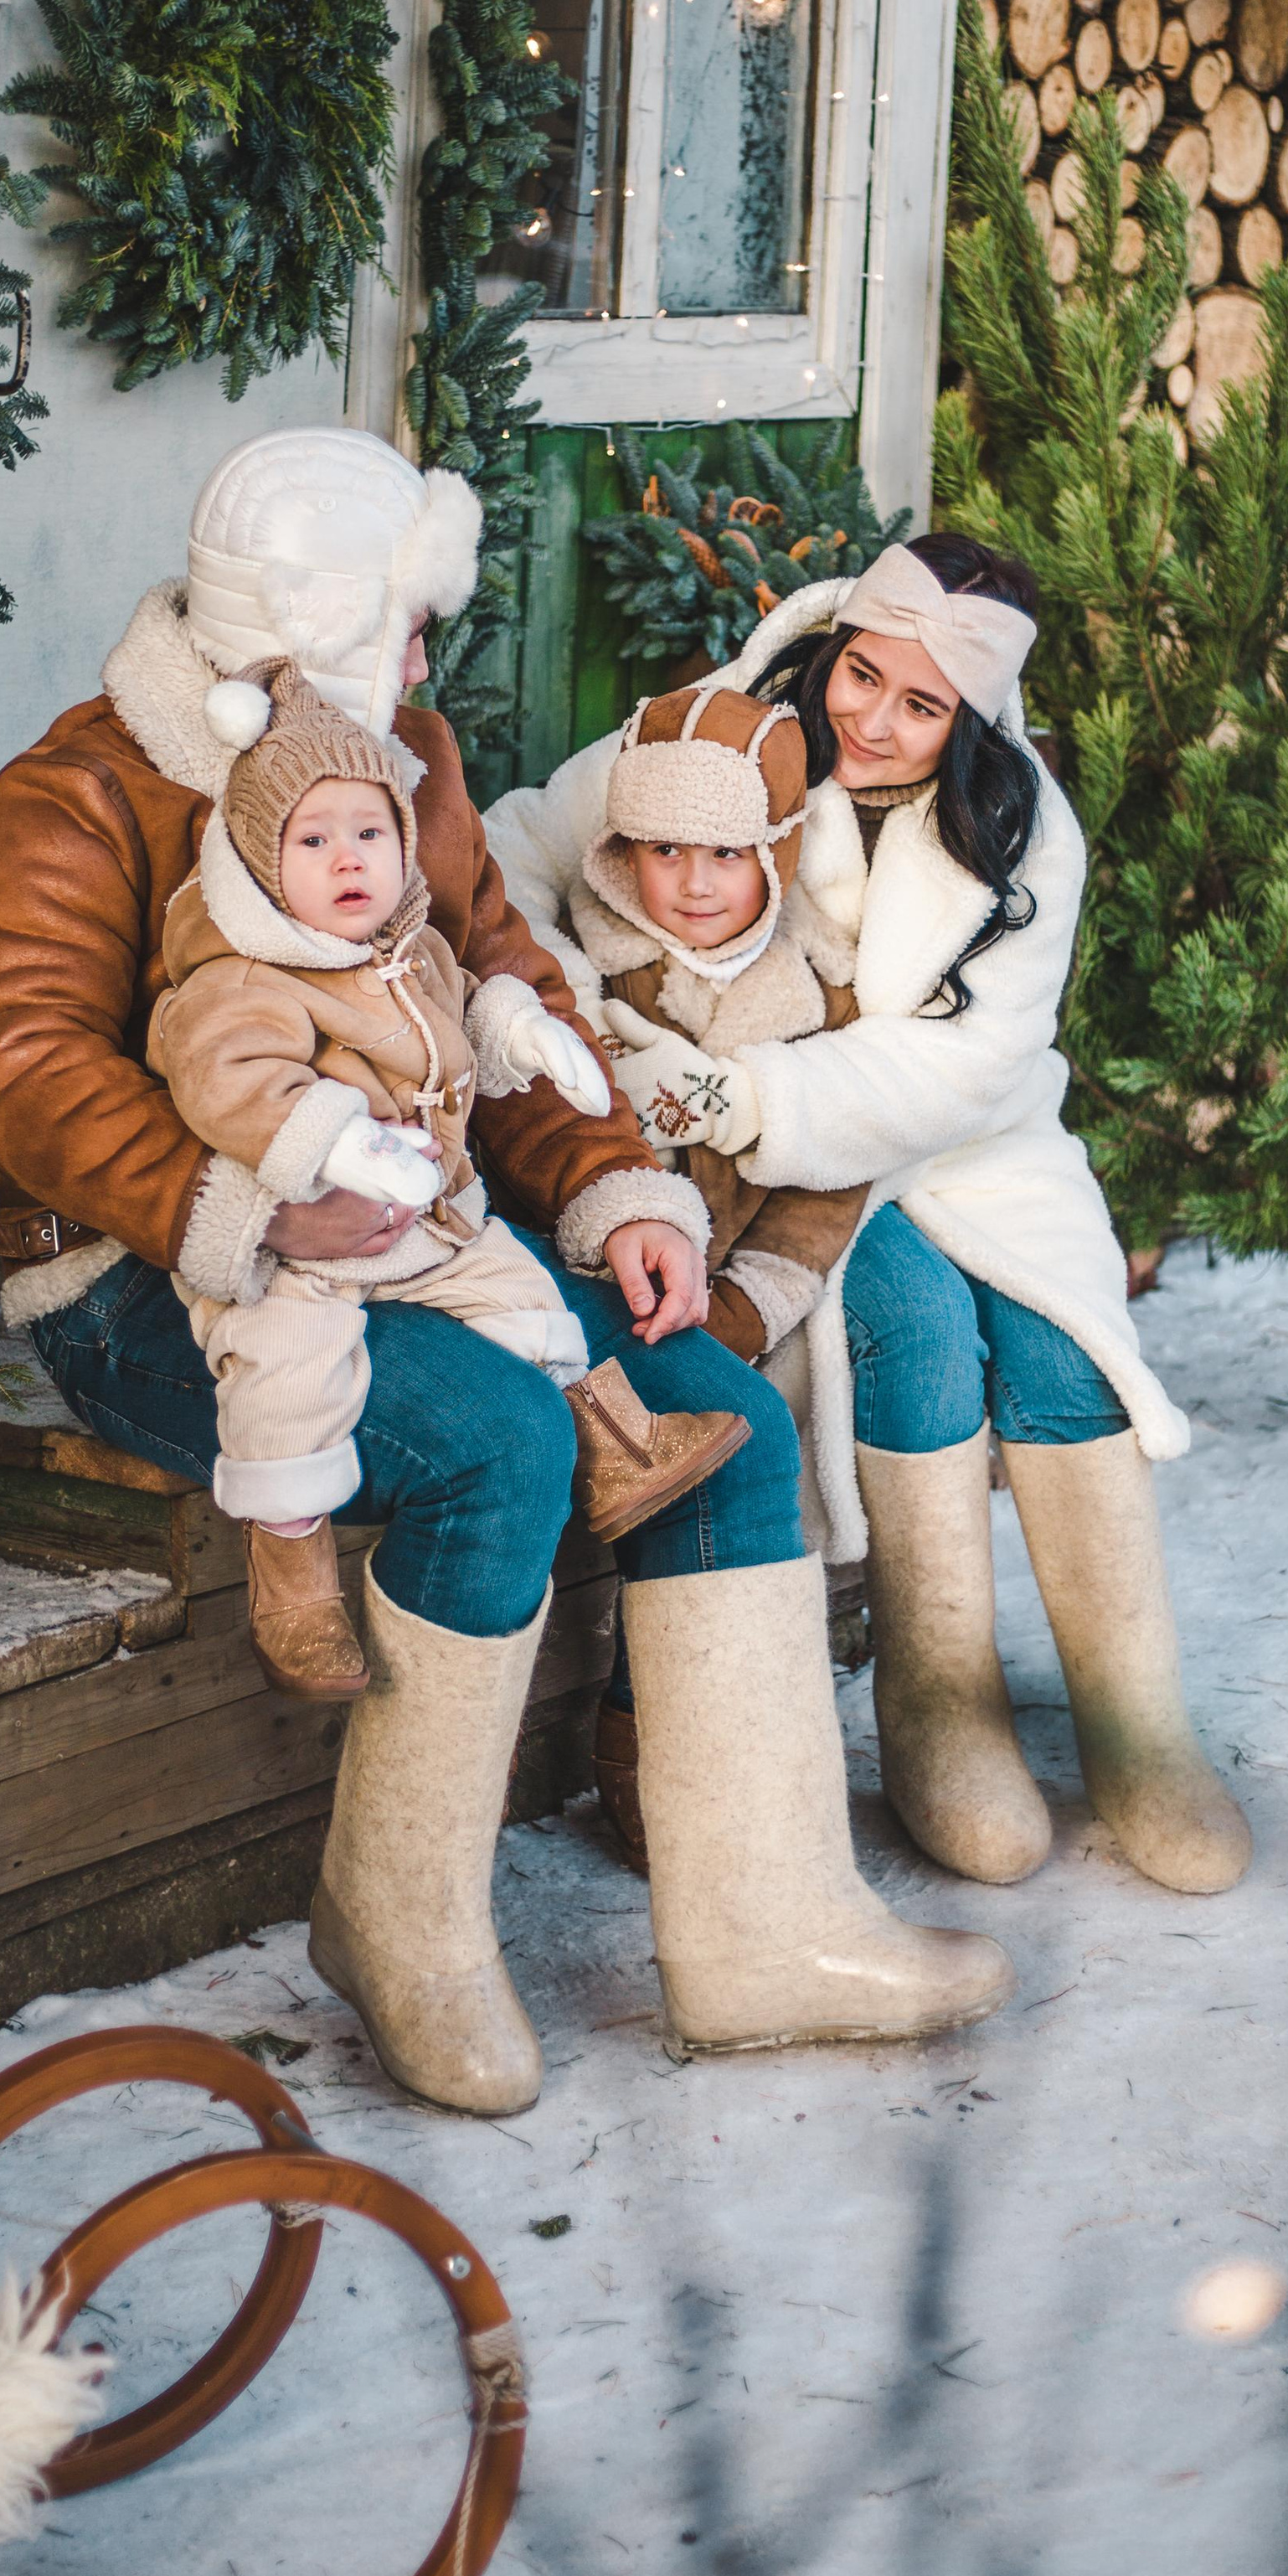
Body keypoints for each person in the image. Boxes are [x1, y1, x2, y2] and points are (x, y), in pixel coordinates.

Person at [0, 430, 1013, 2119]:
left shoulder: (400, 759)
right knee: (501, 1441)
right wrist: (251, 1208)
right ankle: (399, 1919)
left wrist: (615, 1195)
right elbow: (20, 1068)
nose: (429, 663)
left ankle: (760, 1922)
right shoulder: (77, 790)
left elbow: (498, 998)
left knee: (703, 1395)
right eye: (406, 624)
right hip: (155, 1272)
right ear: (303, 628)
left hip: (424, 1236)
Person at [487, 529, 1253, 1898]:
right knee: (909, 1323)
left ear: (975, 719)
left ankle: (1143, 1737)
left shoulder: (1022, 832)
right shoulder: (718, 738)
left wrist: (736, 1092)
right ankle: (938, 1714)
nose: (876, 722)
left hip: (963, 1142)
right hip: (792, 1176)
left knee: (1066, 1350)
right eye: (864, 676)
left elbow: (968, 1065)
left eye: (923, 705)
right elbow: (516, 853)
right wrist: (586, 1024)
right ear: (834, 642)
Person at [144, 652, 750, 1702]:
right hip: (303, 1248)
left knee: (529, 1304)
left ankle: (616, 1445)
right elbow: (228, 1082)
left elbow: (470, 995)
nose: (349, 861)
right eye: (314, 840)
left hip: (434, 1228)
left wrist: (525, 1034)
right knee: (286, 1375)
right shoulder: (241, 977)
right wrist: (335, 1141)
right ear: (257, 857)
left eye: (370, 834)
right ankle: (289, 1565)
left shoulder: (407, 946)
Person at [541, 677, 872, 1865]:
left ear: (776, 856)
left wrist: (746, 1305)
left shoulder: (810, 1000)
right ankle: (641, 1745)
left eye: (723, 855)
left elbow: (828, 1184)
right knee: (669, 1440)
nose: (689, 881)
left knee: (745, 1448)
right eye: (662, 848)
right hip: (587, 1262)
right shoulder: (587, 964)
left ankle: (706, 1728)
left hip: (724, 1296)